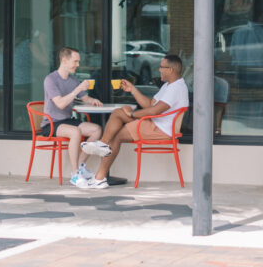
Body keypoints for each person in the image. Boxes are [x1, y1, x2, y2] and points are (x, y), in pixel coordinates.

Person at [81, 53, 189, 189]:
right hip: (155, 123)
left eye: (162, 67)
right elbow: (150, 105)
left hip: (160, 129)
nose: (159, 69)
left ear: (170, 70)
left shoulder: (176, 88)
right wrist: (132, 89)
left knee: (117, 135)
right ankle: (102, 146)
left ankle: (100, 176)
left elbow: (155, 111)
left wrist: (132, 114)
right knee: (118, 113)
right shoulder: (169, 85)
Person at [43, 47, 103, 188]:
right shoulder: (50, 80)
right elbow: (60, 104)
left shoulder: (73, 79)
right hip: (52, 123)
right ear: (64, 60)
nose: (78, 65)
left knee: (96, 130)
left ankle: (81, 166)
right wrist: (77, 90)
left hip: (68, 121)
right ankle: (75, 174)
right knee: (75, 132)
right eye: (75, 61)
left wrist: (92, 100)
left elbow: (85, 98)